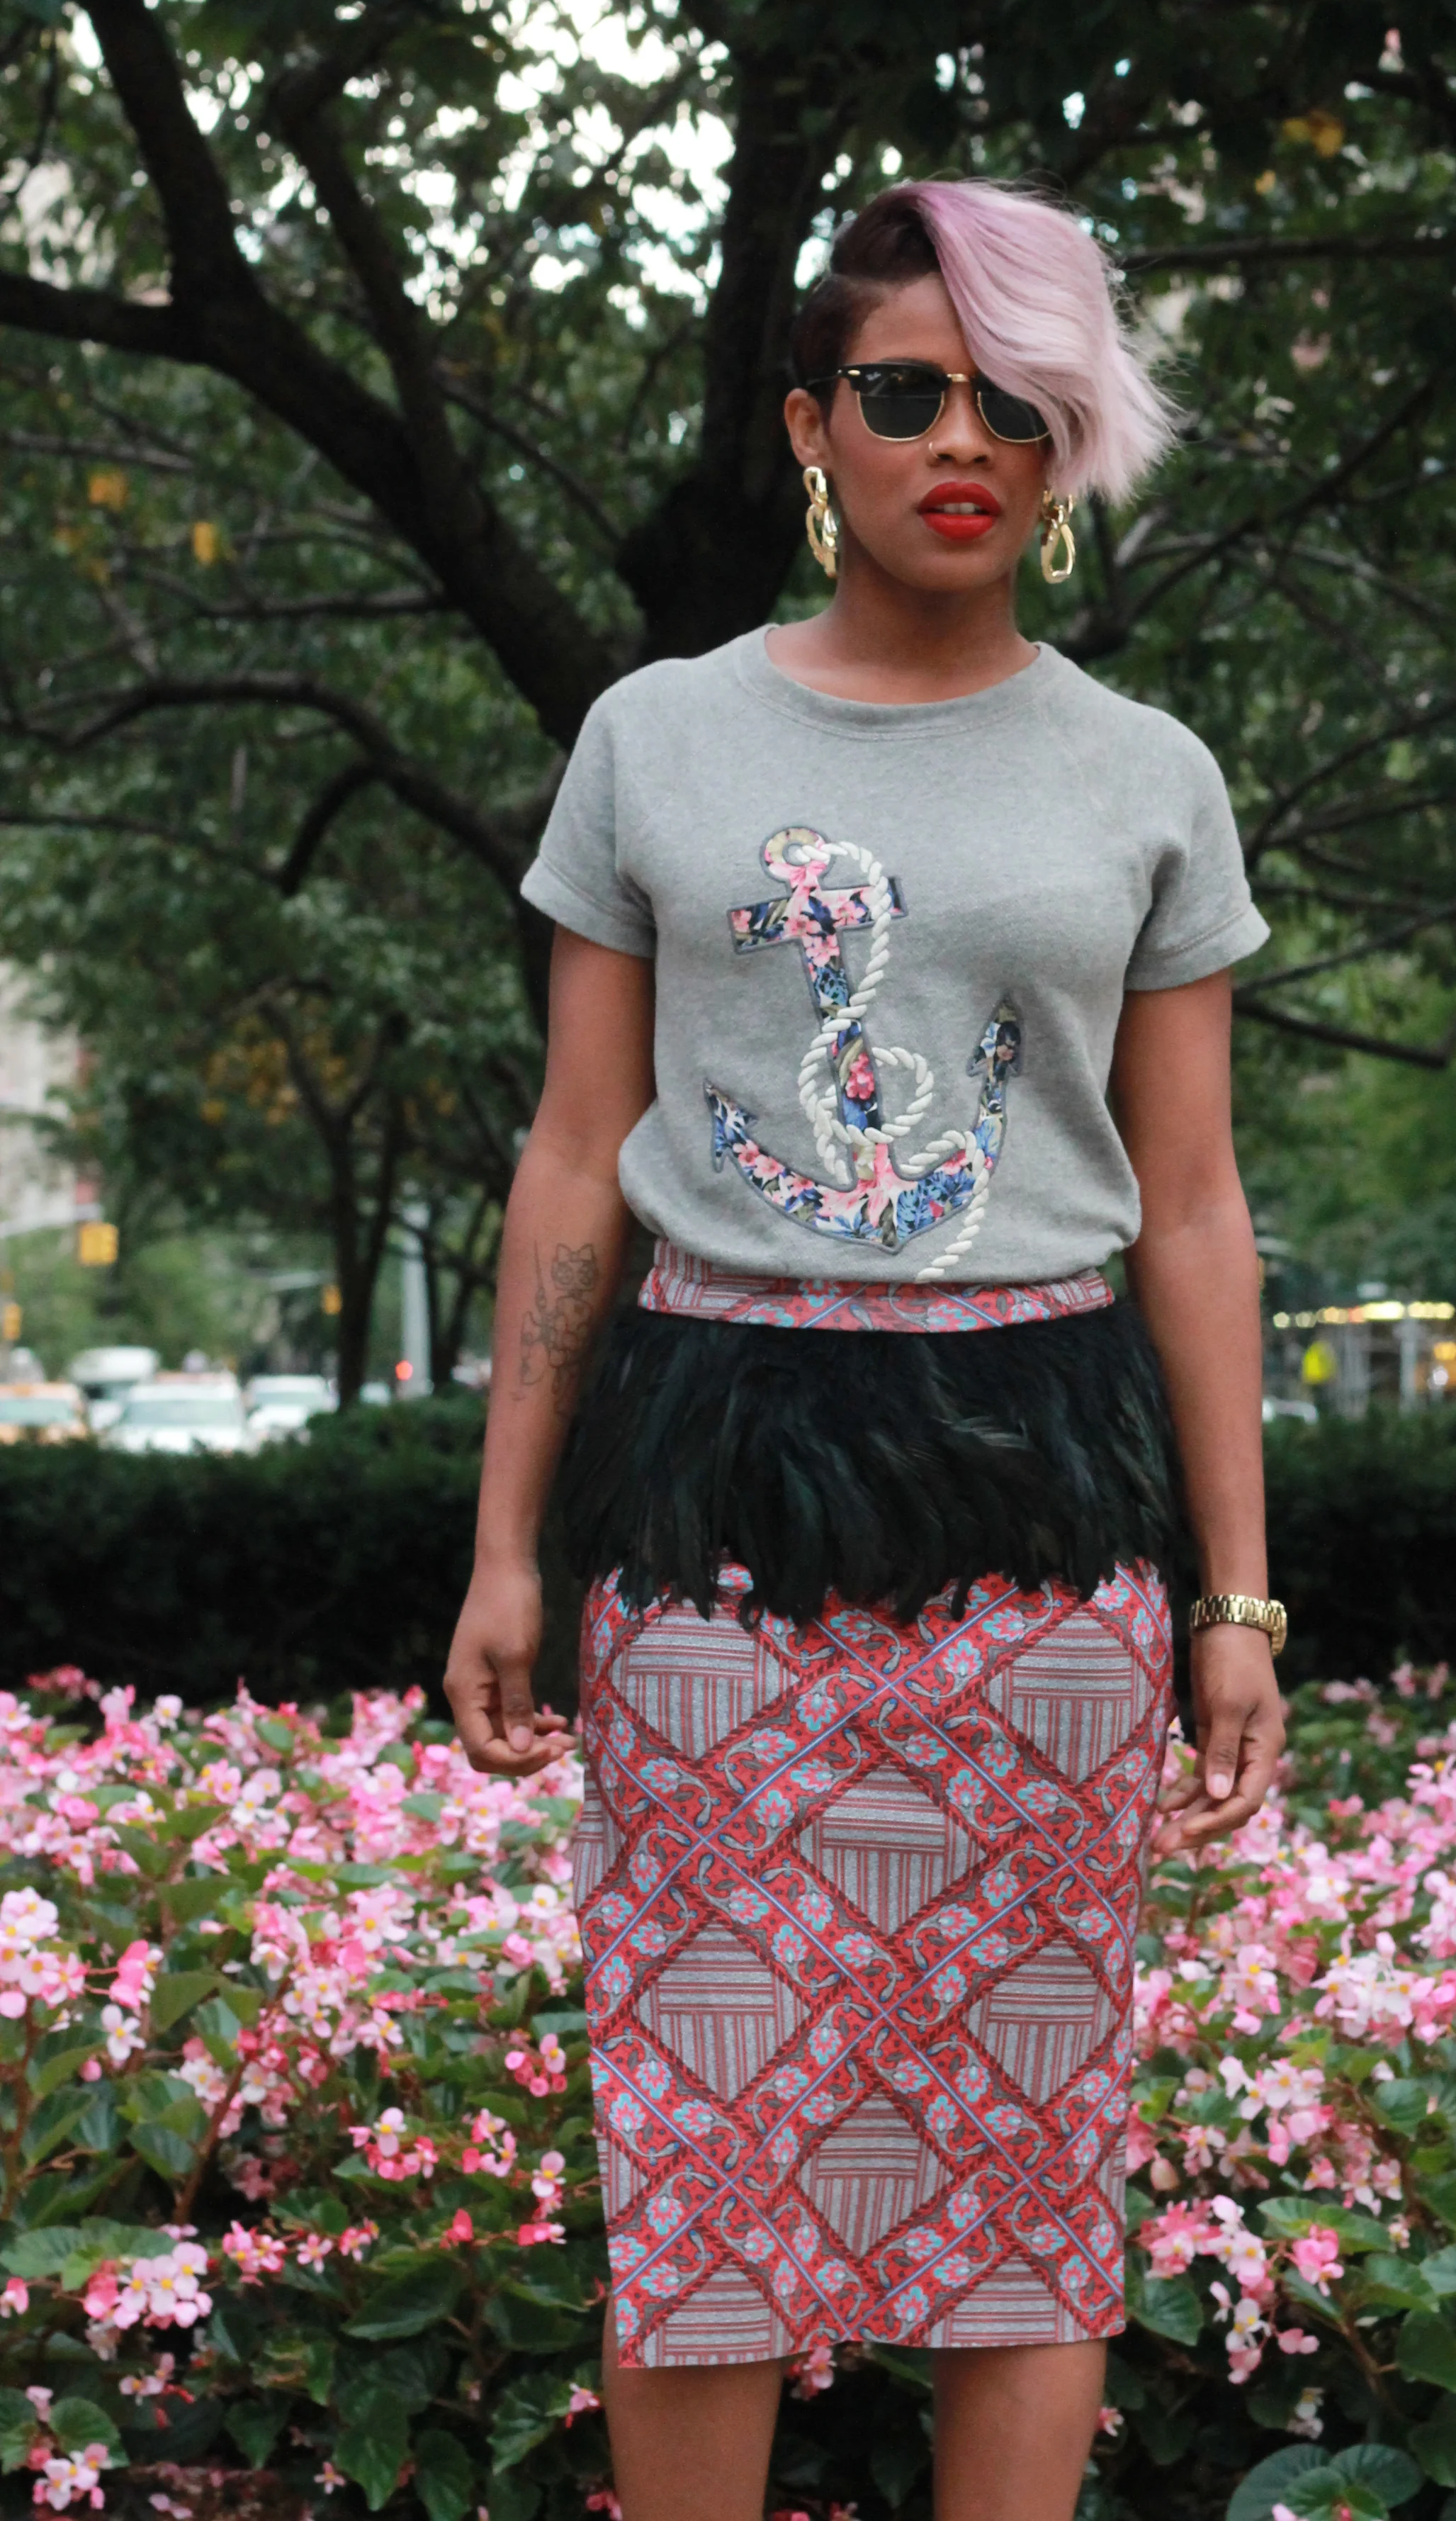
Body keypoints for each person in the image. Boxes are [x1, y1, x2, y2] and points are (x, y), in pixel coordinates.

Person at [445, 177, 1287, 2521]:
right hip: (714, 1492)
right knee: (701, 2164)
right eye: (904, 392)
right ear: (812, 425)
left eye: (1018, 401)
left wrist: (1232, 1594)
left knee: (1027, 2176)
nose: (962, 440)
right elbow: (577, 1154)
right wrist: (511, 1539)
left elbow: (1196, 1206)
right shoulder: (653, 738)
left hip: (1043, 1497)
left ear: (1069, 438)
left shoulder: (1145, 776)